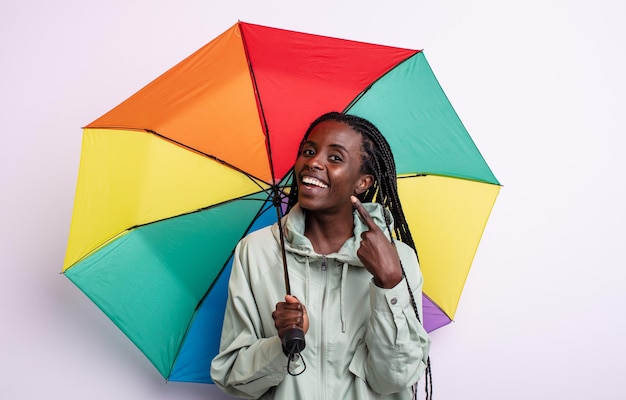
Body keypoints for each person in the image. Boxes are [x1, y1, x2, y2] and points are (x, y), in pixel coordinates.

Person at [211, 111, 431, 399]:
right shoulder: (257, 251)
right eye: (309, 151)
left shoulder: (397, 259)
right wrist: (281, 345)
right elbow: (231, 377)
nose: (313, 162)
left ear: (363, 182)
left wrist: (390, 284)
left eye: (335, 157)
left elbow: (395, 378)